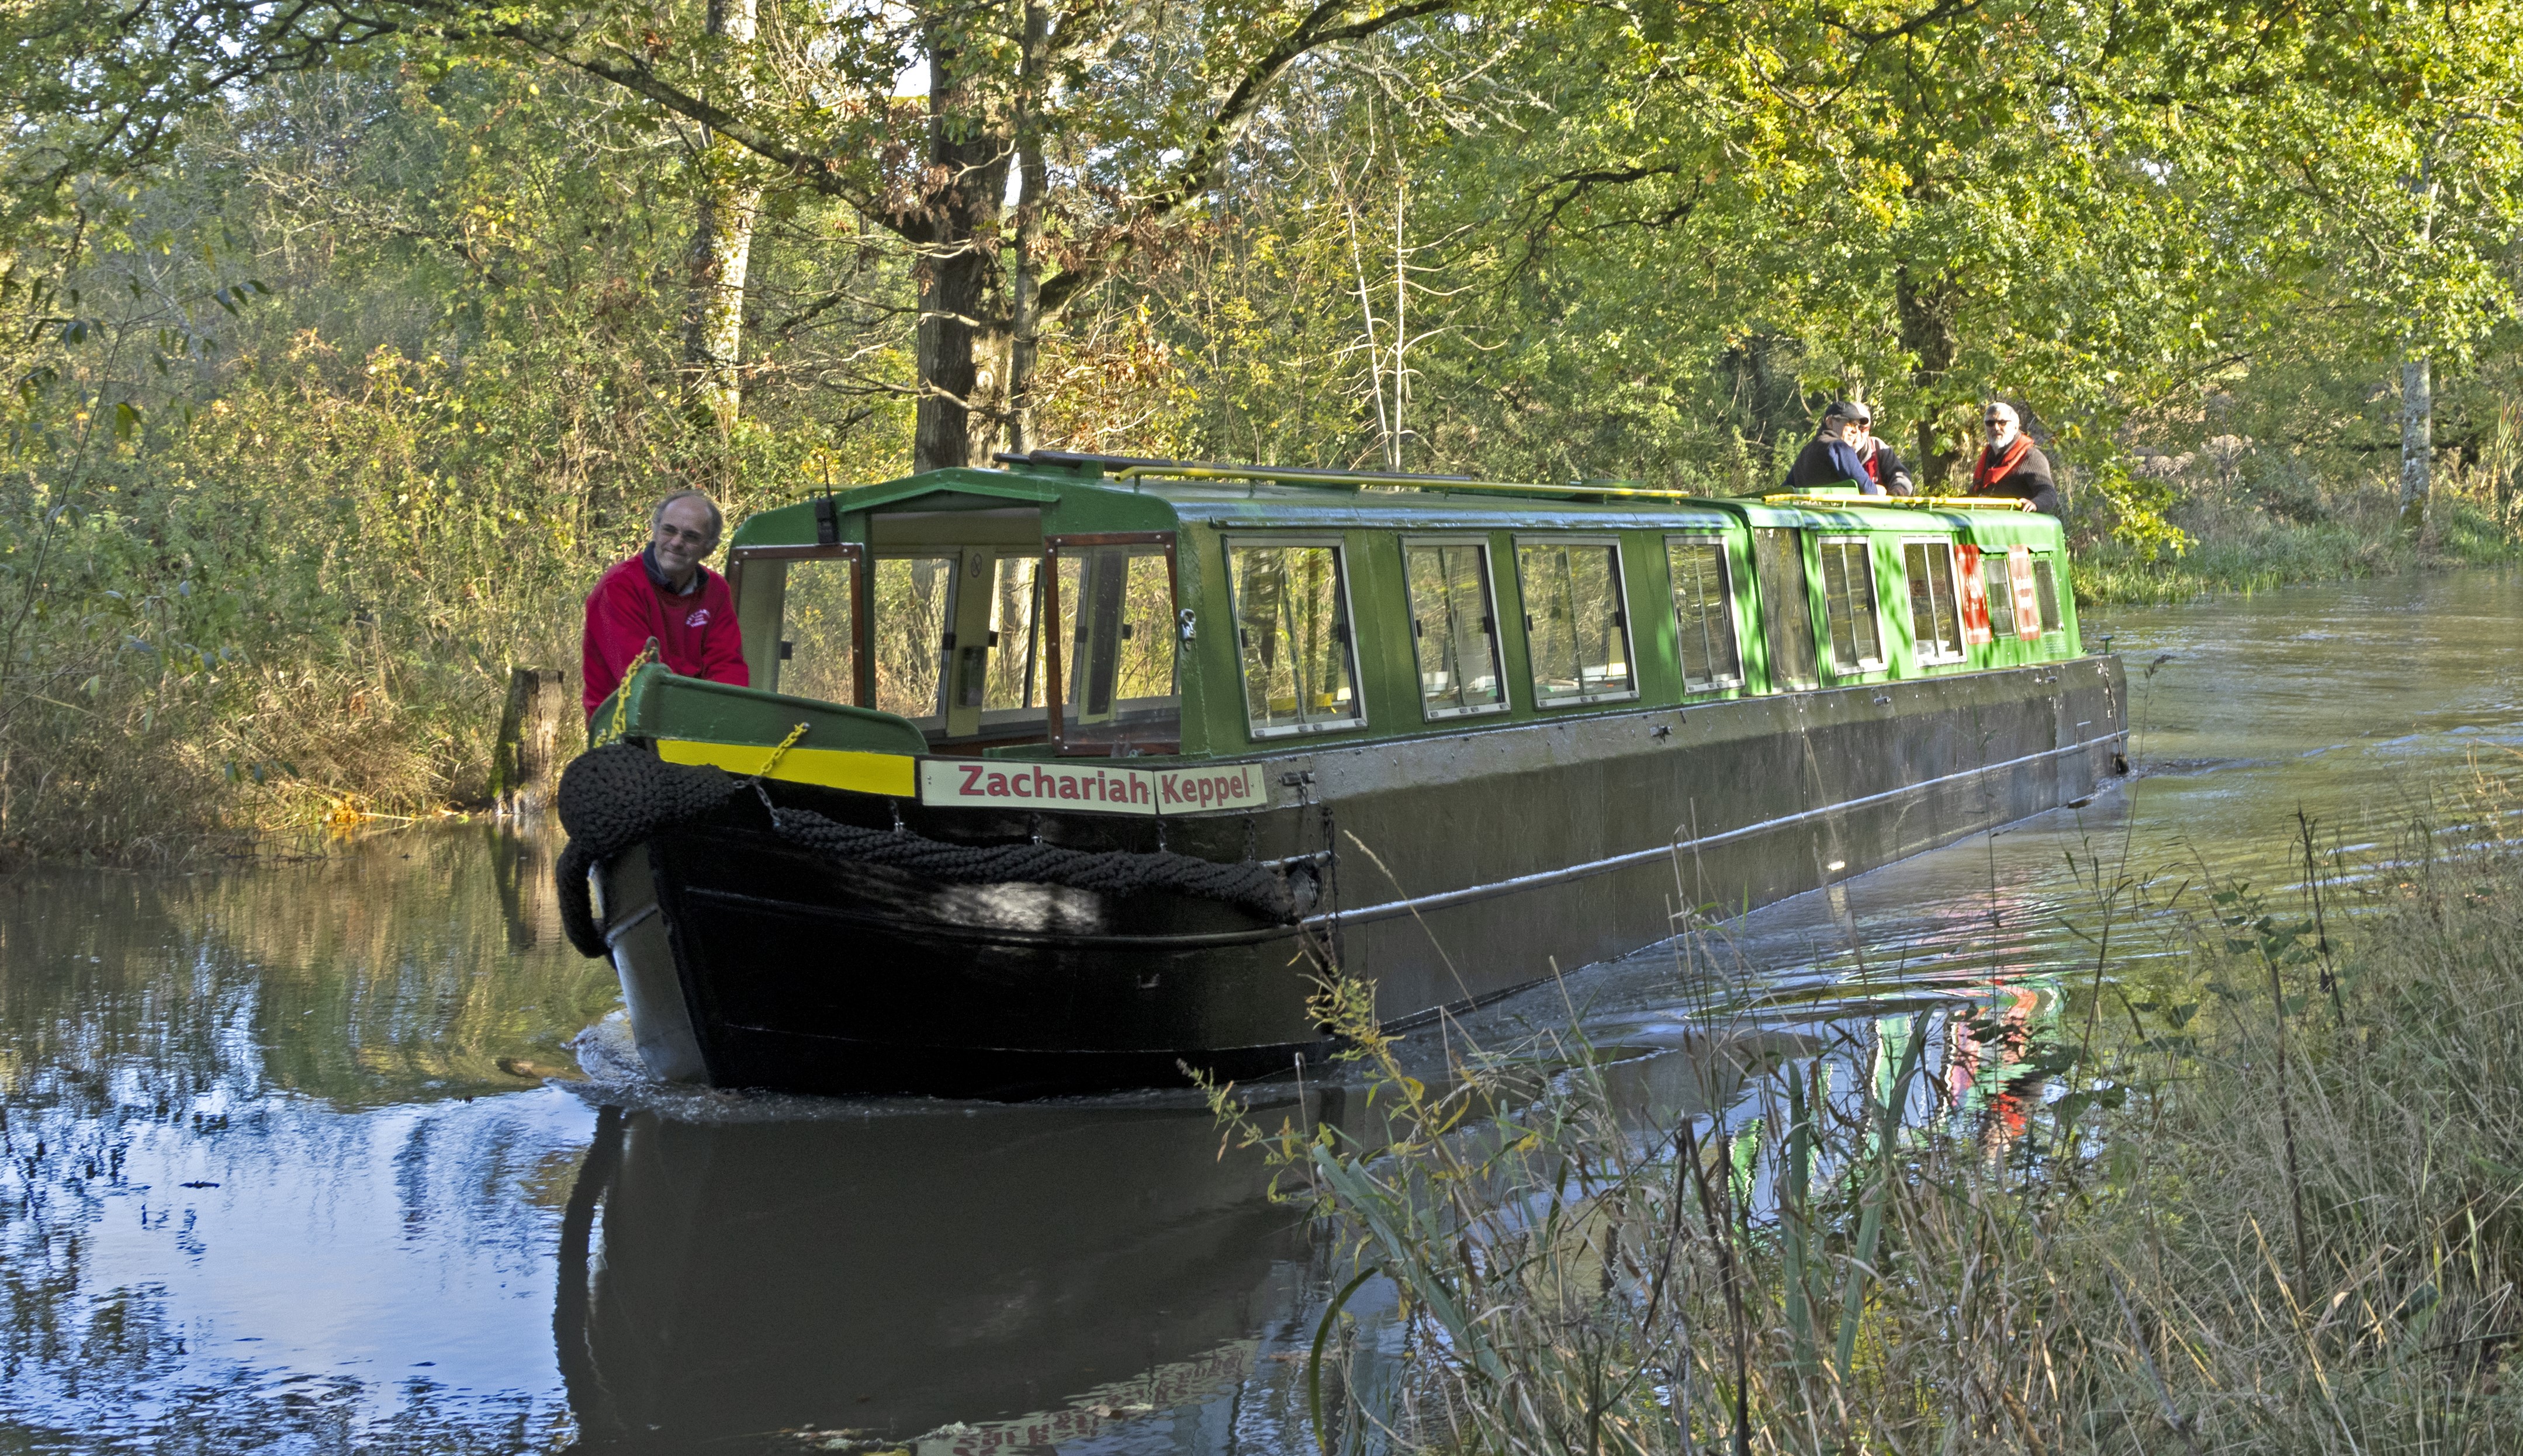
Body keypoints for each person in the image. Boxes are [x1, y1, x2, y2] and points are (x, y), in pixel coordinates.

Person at [582, 488, 750, 720]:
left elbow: (728, 667)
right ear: (655, 531)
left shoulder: (716, 591)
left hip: (698, 722)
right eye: (669, 531)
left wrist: (723, 713)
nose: (677, 542)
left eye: (691, 536)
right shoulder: (618, 586)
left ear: (709, 547)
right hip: (624, 726)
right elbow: (641, 677)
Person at [1969, 401, 2060, 514]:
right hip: (1986, 523)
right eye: (1990, 423)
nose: (1996, 428)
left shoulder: (2031, 457)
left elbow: (2048, 493)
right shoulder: (1988, 456)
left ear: (2015, 426)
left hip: (2017, 526)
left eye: (2002, 423)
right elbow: (1974, 493)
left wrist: (2035, 504)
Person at [1783, 401, 1879, 493]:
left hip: (1806, 509)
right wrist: (1880, 490)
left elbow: (1784, 489)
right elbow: (1868, 490)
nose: (1856, 431)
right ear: (1829, 422)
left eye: (1858, 426)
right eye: (1851, 423)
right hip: (1833, 509)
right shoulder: (1839, 447)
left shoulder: (1806, 451)